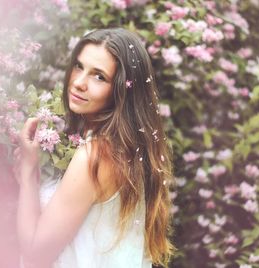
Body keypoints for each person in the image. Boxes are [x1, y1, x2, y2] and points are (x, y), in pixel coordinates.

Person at [14, 28, 175, 268]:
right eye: (79, 67)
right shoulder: (127, 153)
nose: (78, 83)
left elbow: (36, 254)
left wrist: (28, 177)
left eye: (99, 76)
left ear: (121, 91)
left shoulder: (95, 156)